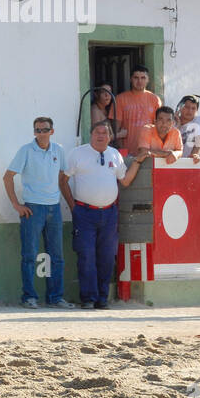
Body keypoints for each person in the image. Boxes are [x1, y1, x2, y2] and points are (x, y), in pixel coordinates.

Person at [63, 122, 150, 309]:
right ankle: (88, 298)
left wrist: (137, 162)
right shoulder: (77, 154)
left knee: (107, 257)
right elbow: (63, 181)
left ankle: (102, 298)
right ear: (91, 135)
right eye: (97, 132)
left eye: (105, 133)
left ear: (110, 136)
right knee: (86, 255)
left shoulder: (114, 154)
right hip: (84, 213)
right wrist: (73, 207)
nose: (101, 136)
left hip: (109, 213)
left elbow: (124, 180)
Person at [3, 117, 71, 308]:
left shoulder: (59, 150)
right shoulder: (26, 150)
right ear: (34, 132)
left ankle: (56, 297)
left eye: (45, 129)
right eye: (38, 130)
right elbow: (7, 177)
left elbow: (61, 177)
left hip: (54, 208)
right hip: (33, 209)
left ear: (52, 131)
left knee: (56, 256)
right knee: (29, 255)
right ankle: (29, 297)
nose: (41, 133)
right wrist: (17, 205)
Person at [113, 65, 161, 151]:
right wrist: (120, 148)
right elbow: (115, 128)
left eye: (143, 78)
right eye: (136, 78)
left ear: (148, 80)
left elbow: (159, 126)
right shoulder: (120, 99)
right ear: (131, 79)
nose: (139, 81)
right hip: (127, 150)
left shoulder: (155, 99)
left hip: (149, 150)